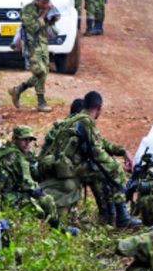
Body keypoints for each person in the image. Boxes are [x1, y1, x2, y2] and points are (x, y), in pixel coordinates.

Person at [40, 92, 142, 229]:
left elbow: (99, 142)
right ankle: (122, 216)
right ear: (100, 107)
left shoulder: (78, 119)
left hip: (65, 164)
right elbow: (97, 153)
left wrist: (122, 151)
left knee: (102, 169)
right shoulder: (85, 120)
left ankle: (108, 215)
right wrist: (117, 165)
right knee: (114, 169)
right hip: (71, 166)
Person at [0, 126, 79, 236]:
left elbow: (33, 165)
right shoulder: (15, 156)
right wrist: (39, 191)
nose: (28, 143)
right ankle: (57, 227)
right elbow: (27, 185)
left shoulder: (4, 150)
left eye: (30, 140)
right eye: (24, 140)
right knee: (46, 200)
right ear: (14, 139)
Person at [9, 0, 61, 113]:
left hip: (43, 44)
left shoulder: (47, 8)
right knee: (40, 71)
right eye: (43, 2)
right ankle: (41, 102)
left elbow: (52, 22)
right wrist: (44, 13)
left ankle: (18, 89)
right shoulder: (27, 10)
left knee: (43, 73)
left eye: (47, 2)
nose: (45, 5)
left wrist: (52, 12)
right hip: (32, 46)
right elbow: (33, 27)